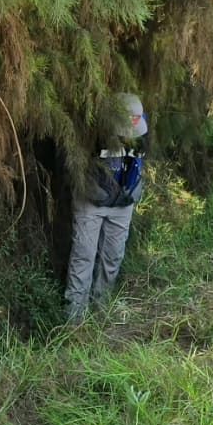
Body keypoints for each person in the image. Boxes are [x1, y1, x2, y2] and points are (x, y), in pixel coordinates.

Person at [64, 93, 147, 324]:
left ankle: (101, 314)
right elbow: (77, 167)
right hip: (91, 202)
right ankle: (75, 320)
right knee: (83, 256)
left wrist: (131, 191)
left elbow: (139, 162)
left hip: (123, 203)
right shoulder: (93, 130)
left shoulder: (141, 124)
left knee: (113, 257)